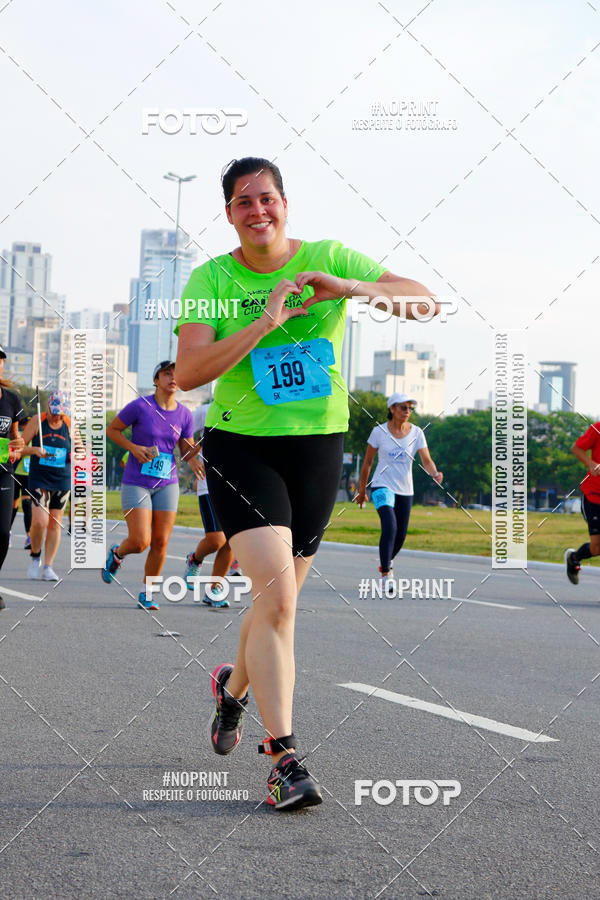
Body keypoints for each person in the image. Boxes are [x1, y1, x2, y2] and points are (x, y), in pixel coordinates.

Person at [174, 156, 440, 810]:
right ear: (230, 214)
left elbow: (424, 303)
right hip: (241, 445)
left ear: (285, 204)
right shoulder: (211, 278)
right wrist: (264, 320)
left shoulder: (326, 255)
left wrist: (347, 287)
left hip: (317, 448)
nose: (257, 211)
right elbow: (186, 373)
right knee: (280, 600)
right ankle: (284, 758)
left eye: (267, 198)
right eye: (243, 202)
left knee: (275, 599)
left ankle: (232, 693)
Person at [102, 361, 195, 610]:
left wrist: (199, 450)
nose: (172, 377)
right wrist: (134, 448)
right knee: (140, 541)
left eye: (176, 373)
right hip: (137, 481)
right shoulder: (140, 406)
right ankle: (117, 554)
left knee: (161, 541)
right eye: (167, 373)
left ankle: (148, 592)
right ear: (156, 380)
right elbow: (113, 430)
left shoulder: (185, 415)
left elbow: (186, 452)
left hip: (168, 482)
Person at [355, 393, 443, 589]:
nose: (408, 412)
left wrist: (435, 473)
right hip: (382, 485)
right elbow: (368, 462)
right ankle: (386, 574)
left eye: (410, 408)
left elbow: (426, 461)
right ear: (392, 409)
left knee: (401, 535)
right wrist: (362, 490)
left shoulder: (417, 433)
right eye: (403, 407)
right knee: (390, 526)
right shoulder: (378, 432)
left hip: (405, 489)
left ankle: (387, 560)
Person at [184, 403, 235, 608]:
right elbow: (183, 431)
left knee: (233, 541)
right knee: (215, 540)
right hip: (210, 483)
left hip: (241, 485)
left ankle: (214, 590)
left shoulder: (254, 407)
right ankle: (195, 559)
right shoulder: (207, 410)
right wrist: (192, 459)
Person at [22, 391, 73, 582]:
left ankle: (48, 566)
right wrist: (35, 450)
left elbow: (80, 449)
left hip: (61, 479)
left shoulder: (69, 423)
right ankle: (35, 557)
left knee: (55, 523)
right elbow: (19, 447)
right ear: (48, 408)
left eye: (61, 413)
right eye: (54, 412)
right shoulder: (37, 420)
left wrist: (75, 455)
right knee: (39, 522)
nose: (57, 416)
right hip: (39, 478)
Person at [0, 347, 26, 609]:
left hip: (3, 474)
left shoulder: (11, 400)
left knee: (2, 532)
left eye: (0, 361)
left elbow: (15, 437)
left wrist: (17, 443)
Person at [565, 422, 600, 584]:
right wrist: (591, 464)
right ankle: (574, 558)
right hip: (593, 496)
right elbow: (576, 448)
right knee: (597, 547)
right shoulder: (597, 428)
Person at [11, 415, 32, 549]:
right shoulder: (18, 437)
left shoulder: (35, 438)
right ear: (22, 426)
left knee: (26, 504)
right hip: (16, 474)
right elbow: (17, 452)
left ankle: (29, 536)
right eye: (26, 425)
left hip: (29, 475)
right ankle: (7, 532)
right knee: (13, 506)